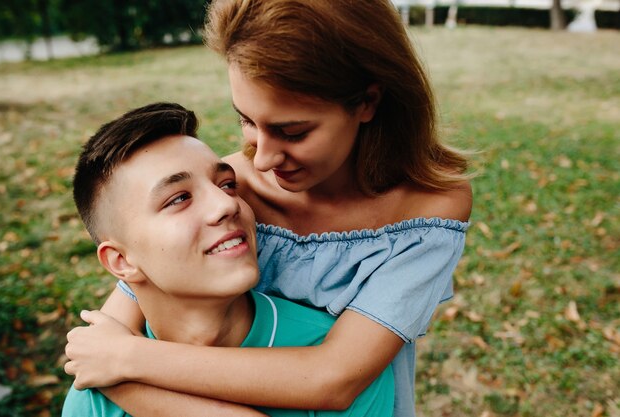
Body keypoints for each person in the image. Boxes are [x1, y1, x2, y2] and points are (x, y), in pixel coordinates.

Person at [64, 0, 473, 416]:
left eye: (291, 131)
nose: (260, 160)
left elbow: (334, 379)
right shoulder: (228, 191)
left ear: (367, 101)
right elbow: (102, 343)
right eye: (246, 120)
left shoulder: (427, 211)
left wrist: (130, 362)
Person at [62, 102, 395, 417]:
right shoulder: (94, 395)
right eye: (179, 198)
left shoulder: (334, 359)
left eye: (227, 184)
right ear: (121, 261)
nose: (226, 205)